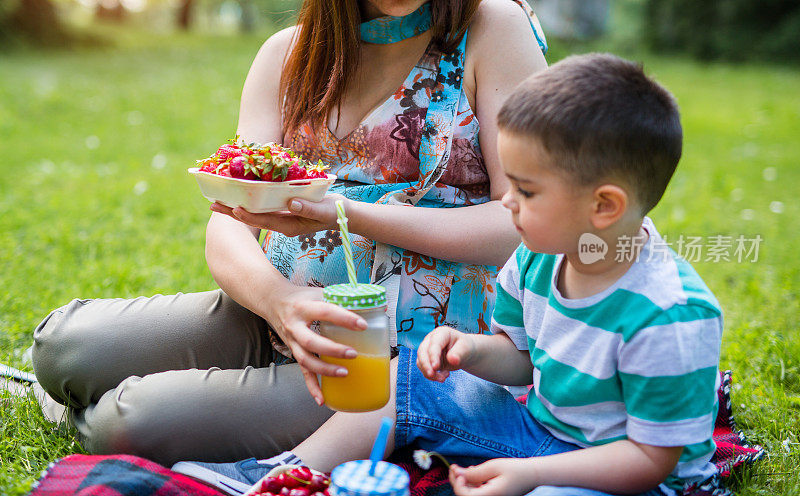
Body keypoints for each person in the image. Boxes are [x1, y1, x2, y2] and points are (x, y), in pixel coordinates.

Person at [23, 0, 548, 466]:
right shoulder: (288, 54)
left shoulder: (491, 28)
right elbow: (228, 218)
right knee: (61, 345)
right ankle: (120, 395)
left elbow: (521, 223)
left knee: (128, 421)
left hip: (401, 358)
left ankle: (104, 413)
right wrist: (281, 303)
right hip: (277, 314)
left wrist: (347, 213)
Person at [174, 53, 723, 496]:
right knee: (403, 380)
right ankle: (278, 479)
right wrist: (469, 350)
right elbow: (521, 359)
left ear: (604, 207)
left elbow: (651, 461)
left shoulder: (668, 314)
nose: (507, 203)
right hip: (543, 432)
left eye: (527, 192)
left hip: (630, 475)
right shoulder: (540, 256)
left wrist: (534, 475)